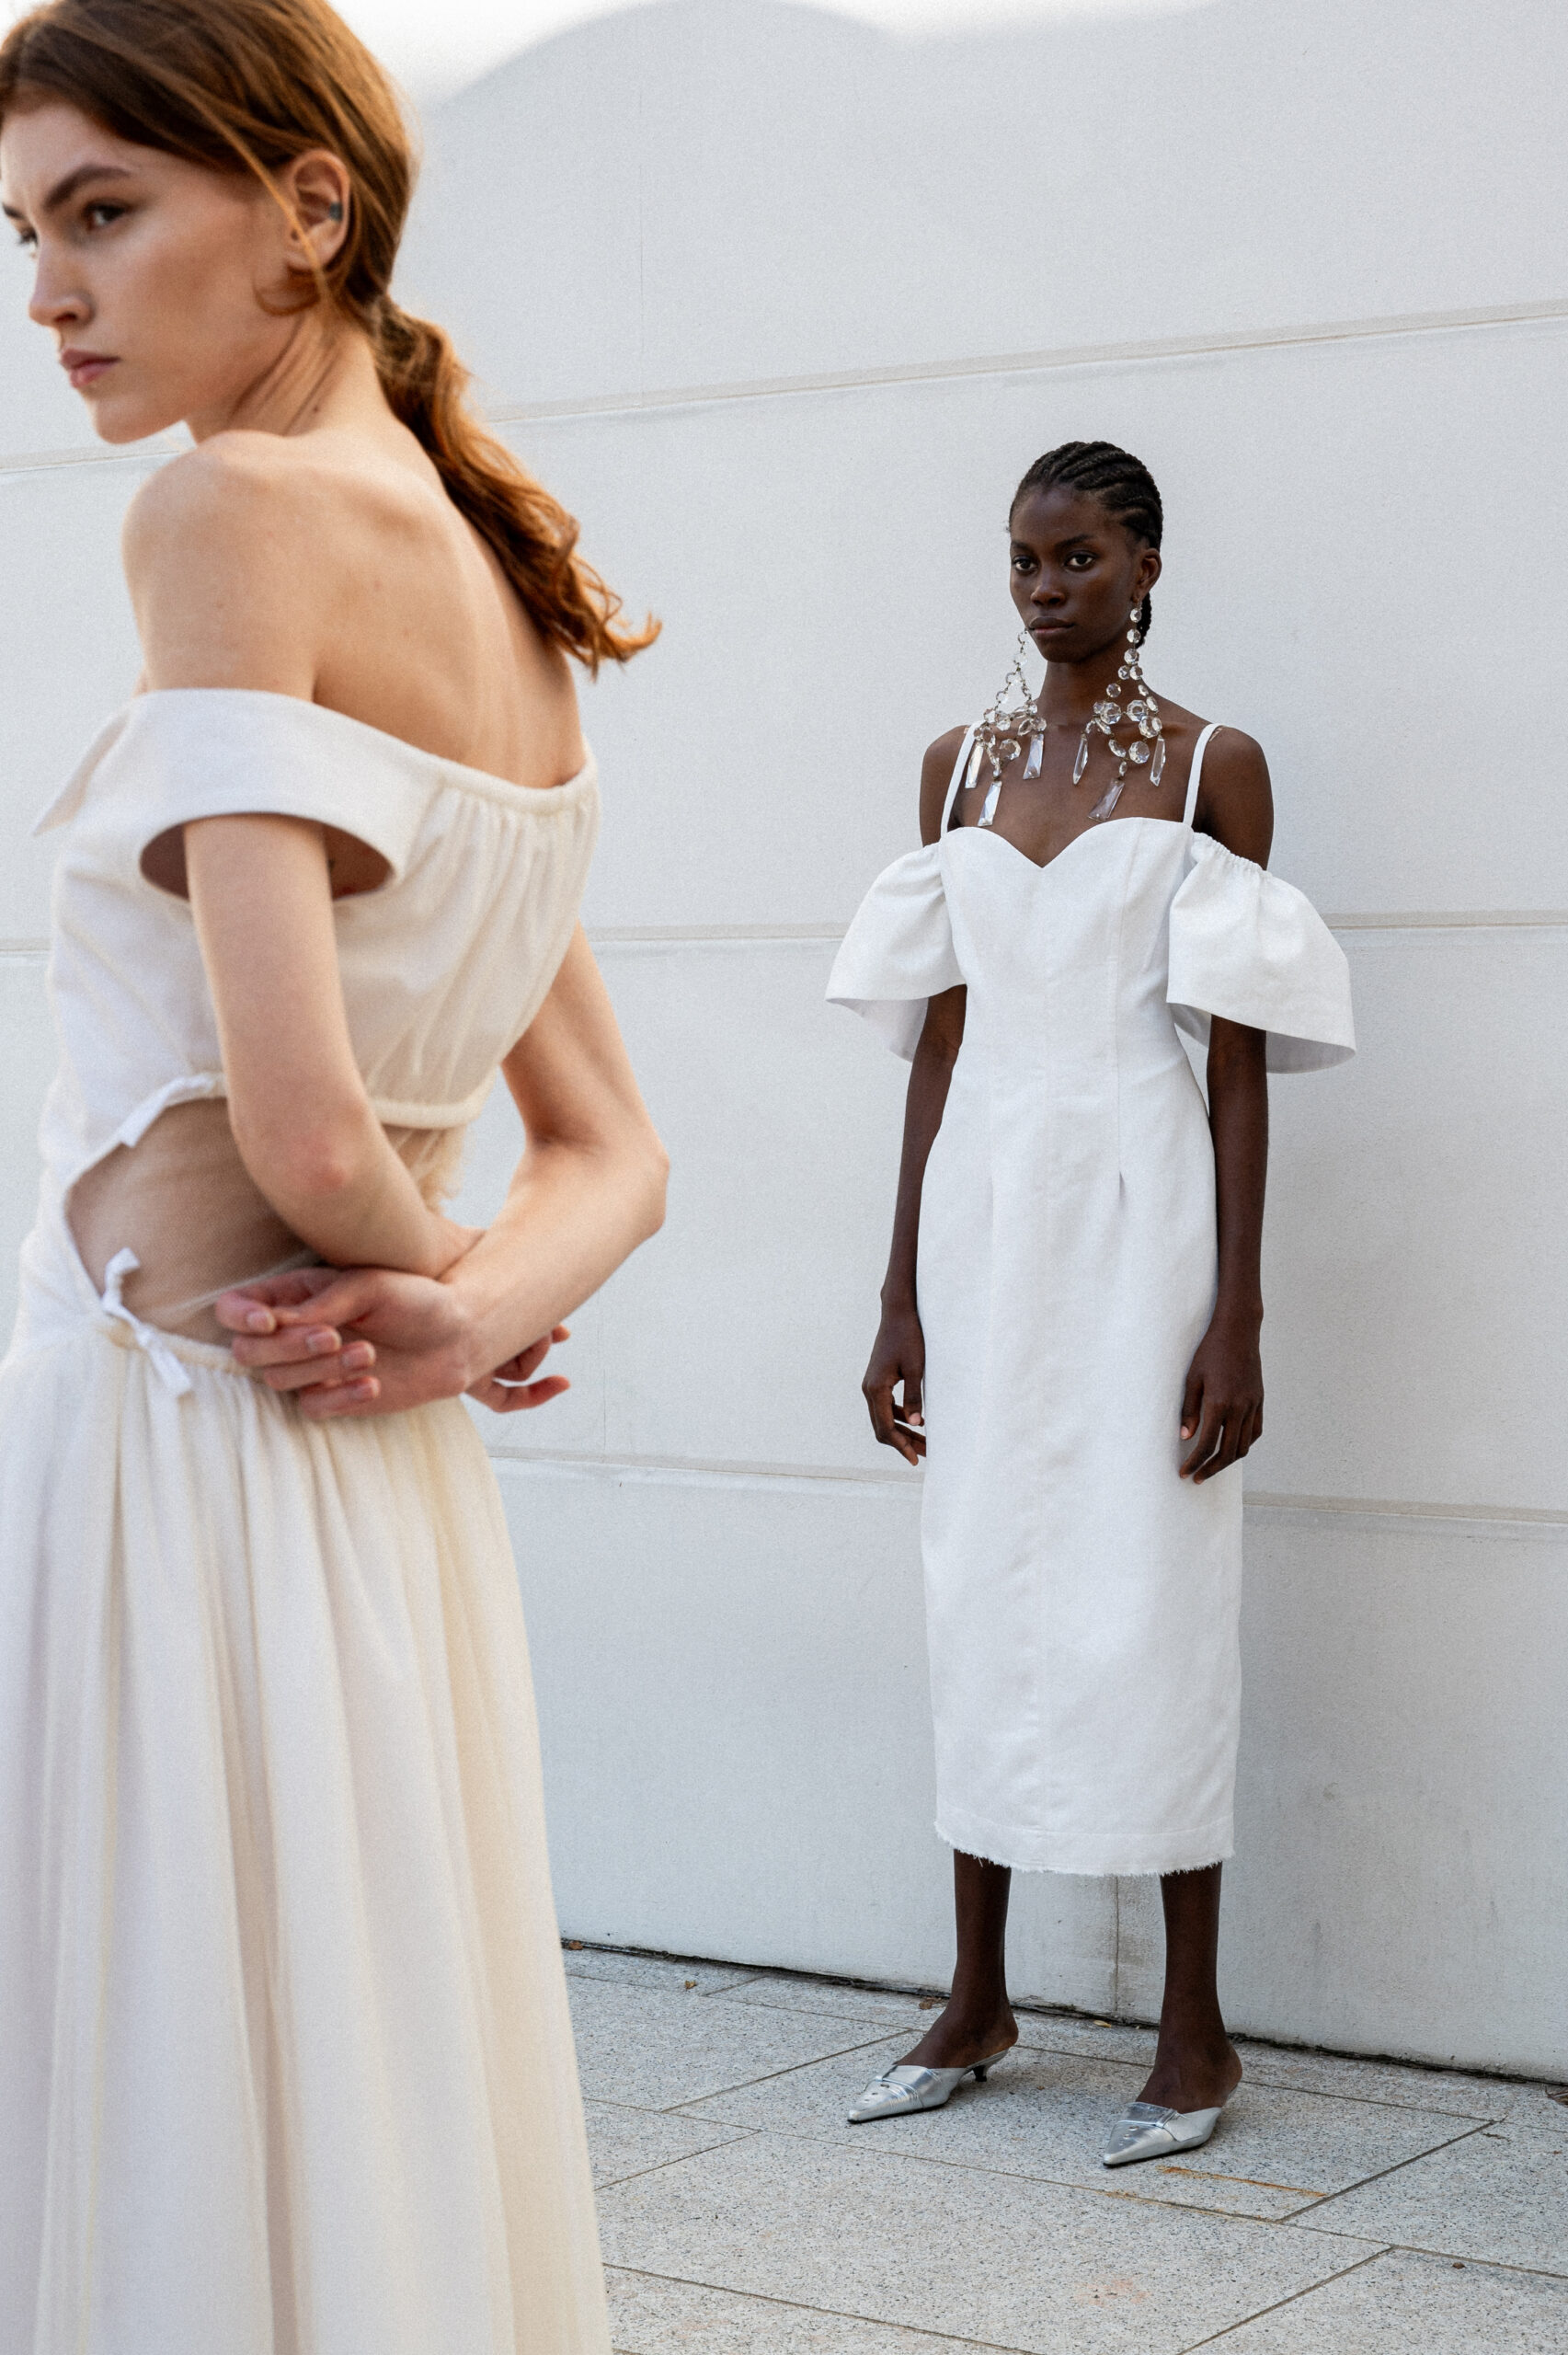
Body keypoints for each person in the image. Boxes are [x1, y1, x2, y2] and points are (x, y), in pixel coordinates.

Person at [0, 2, 667, 2345]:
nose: (50, 292)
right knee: (347, 2079)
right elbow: (613, 1147)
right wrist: (472, 1307)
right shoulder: (495, 586)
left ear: (306, 206)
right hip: (370, 1471)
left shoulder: (228, 515)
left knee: (174, 2085)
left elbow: (300, 1128)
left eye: (103, 212)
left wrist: (446, 1287)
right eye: (23, 232)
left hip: (182, 1450)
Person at [828, 441, 1354, 2166]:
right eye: (1023, 560)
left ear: (1144, 568)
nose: (1045, 588)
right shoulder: (957, 768)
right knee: (975, 1574)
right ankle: (975, 1996)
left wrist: (1237, 1316)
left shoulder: (1211, 765)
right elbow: (938, 1043)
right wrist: (896, 1293)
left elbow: (1238, 1065)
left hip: (1144, 1209)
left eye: (1076, 558)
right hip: (983, 1212)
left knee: (1154, 1584)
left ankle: (1191, 2031)